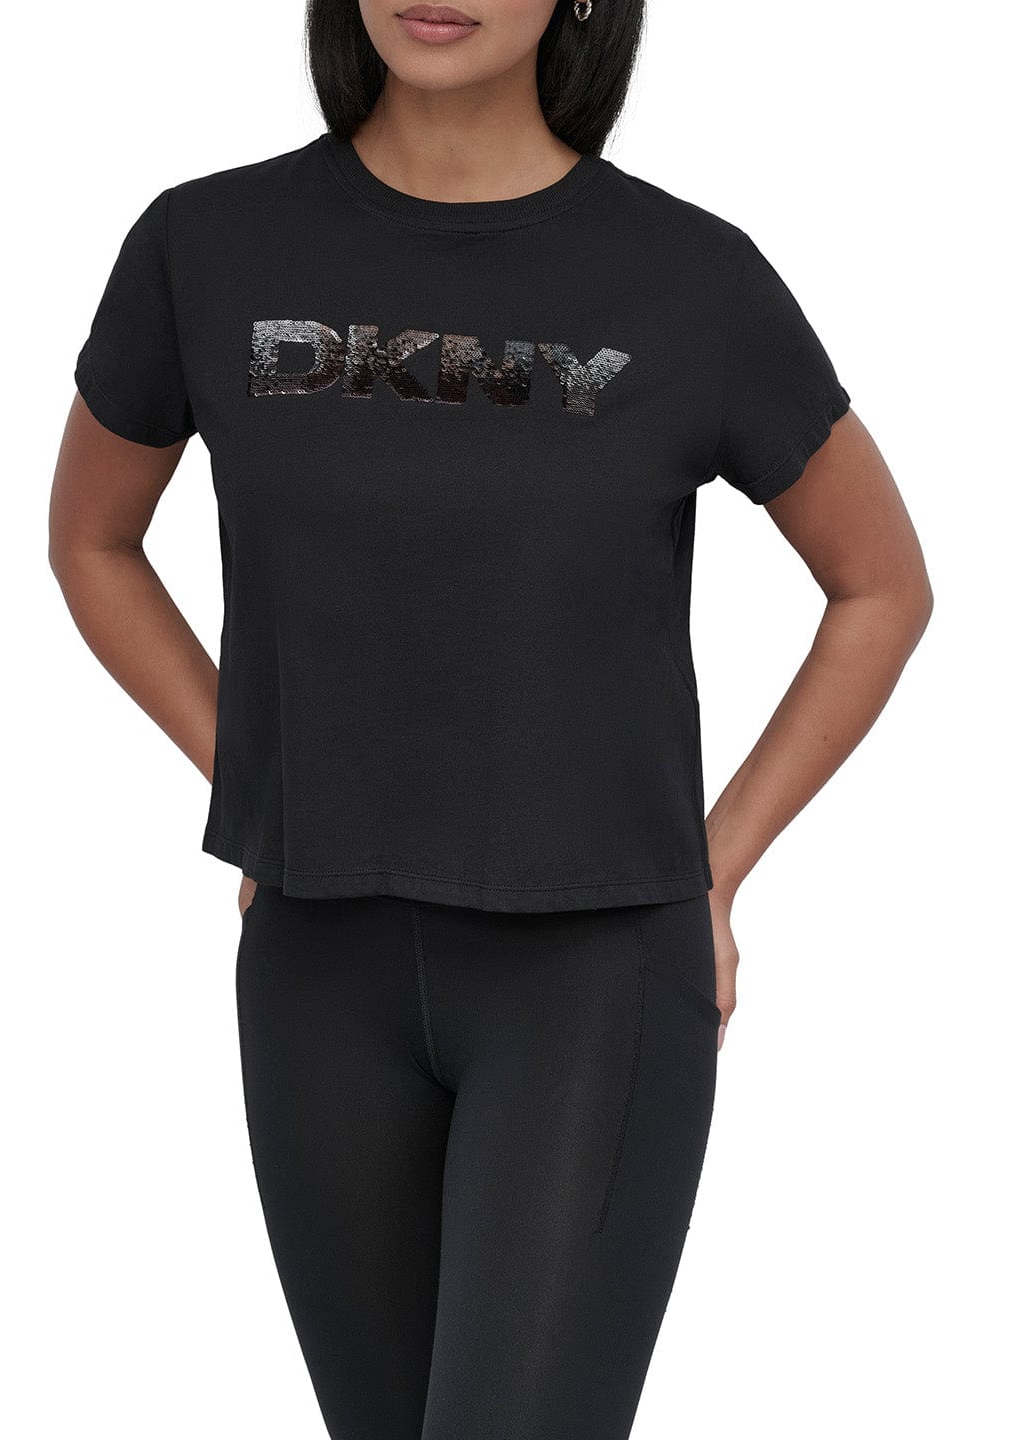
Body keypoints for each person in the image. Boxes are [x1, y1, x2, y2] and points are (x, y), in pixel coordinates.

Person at [48, 2, 932, 1437]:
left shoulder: (689, 278)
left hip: (592, 976)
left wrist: (715, 870)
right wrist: (261, 781)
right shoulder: (203, 247)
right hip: (316, 973)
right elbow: (92, 541)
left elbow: (881, 586)